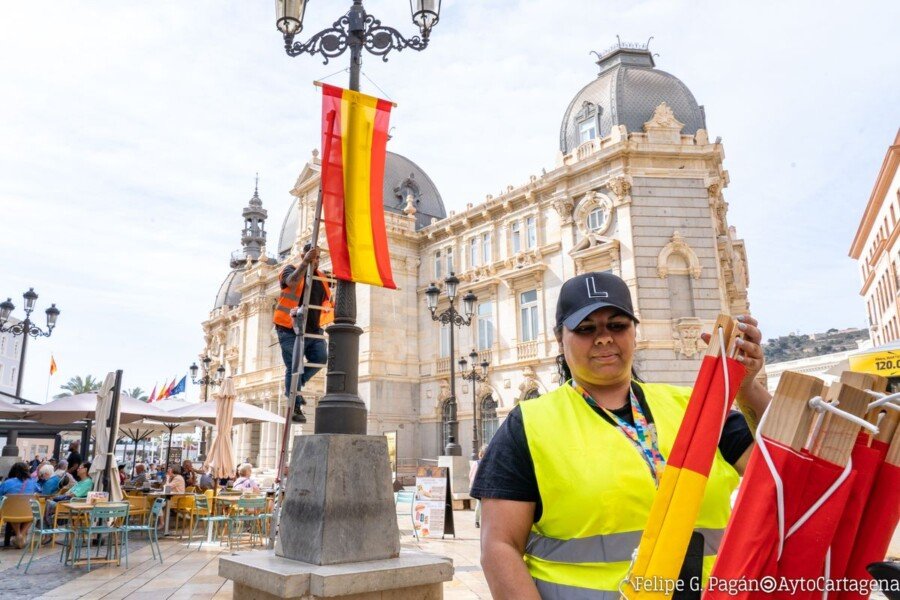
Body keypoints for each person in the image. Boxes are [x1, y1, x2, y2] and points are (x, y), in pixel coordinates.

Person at [471, 272, 771, 600]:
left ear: (634, 332)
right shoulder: (528, 425)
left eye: (617, 325)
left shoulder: (695, 406)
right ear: (560, 339)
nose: (603, 338)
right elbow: (499, 546)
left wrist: (747, 388)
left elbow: (778, 470)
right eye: (586, 329)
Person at [274, 243, 334, 424]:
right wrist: (305, 263)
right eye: (312, 256)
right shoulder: (289, 270)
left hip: (313, 331)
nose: (315, 260)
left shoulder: (322, 277)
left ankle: (294, 387)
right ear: (303, 255)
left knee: (321, 359)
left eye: (317, 257)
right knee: (294, 365)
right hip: (288, 329)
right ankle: (296, 404)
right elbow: (291, 281)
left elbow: (336, 282)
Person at [0, 462, 40, 548]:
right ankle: (21, 535)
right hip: (28, 514)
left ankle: (18, 535)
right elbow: (40, 490)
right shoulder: (32, 482)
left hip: (9, 514)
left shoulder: (7, 482)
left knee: (14, 511)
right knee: (33, 516)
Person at [469, 445, 487, 528]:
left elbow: (471, 476)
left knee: (484, 505)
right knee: (479, 504)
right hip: (479, 487)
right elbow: (472, 476)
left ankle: (482, 522)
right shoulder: (477, 463)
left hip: (485, 487)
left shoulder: (488, 463)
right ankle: (477, 521)